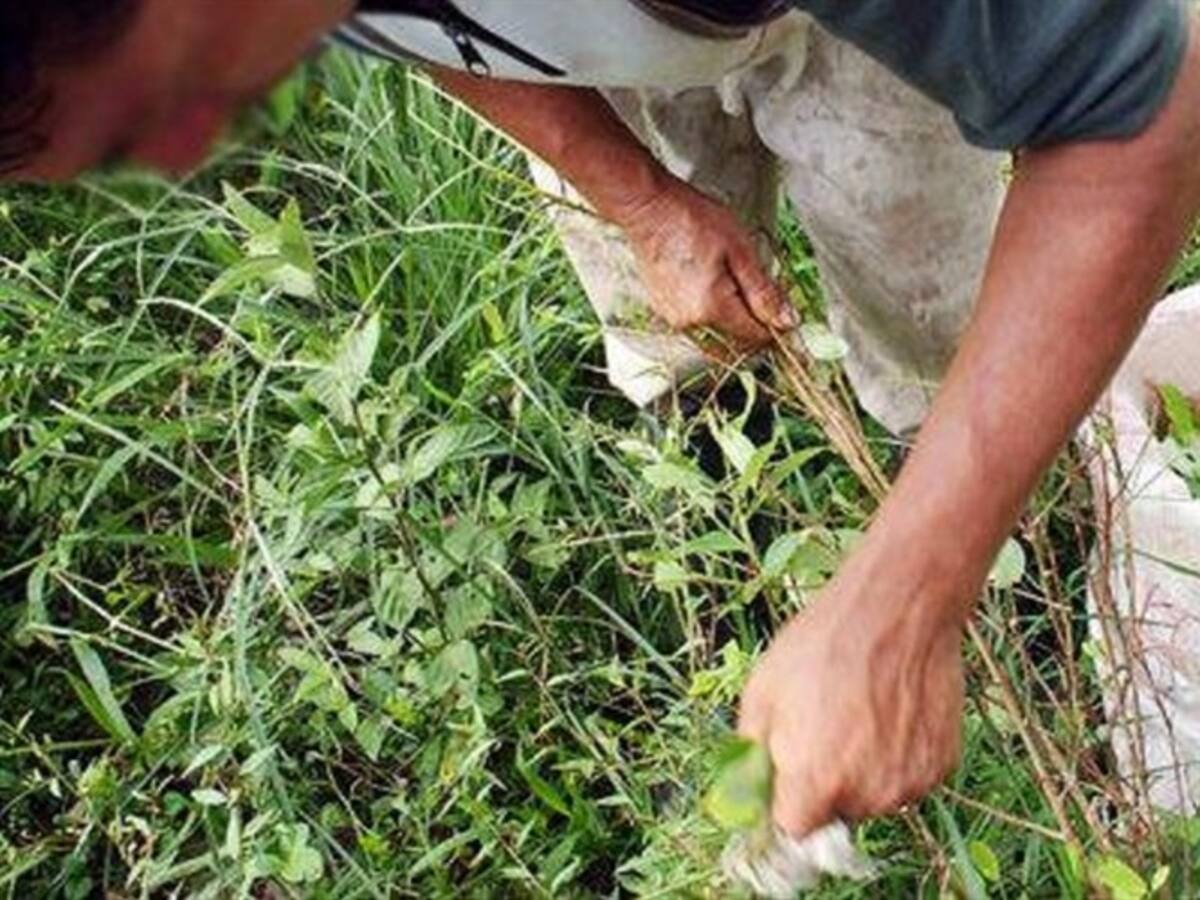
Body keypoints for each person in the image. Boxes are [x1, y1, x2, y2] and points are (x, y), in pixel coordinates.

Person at [5, 0, 1199, 844]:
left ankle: (1024, 572)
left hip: (860, 42)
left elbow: (1141, 105)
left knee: (935, 327)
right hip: (601, 52)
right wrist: (642, 202)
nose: (186, 156)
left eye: (161, 107)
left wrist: (902, 605)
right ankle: (731, 539)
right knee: (675, 338)